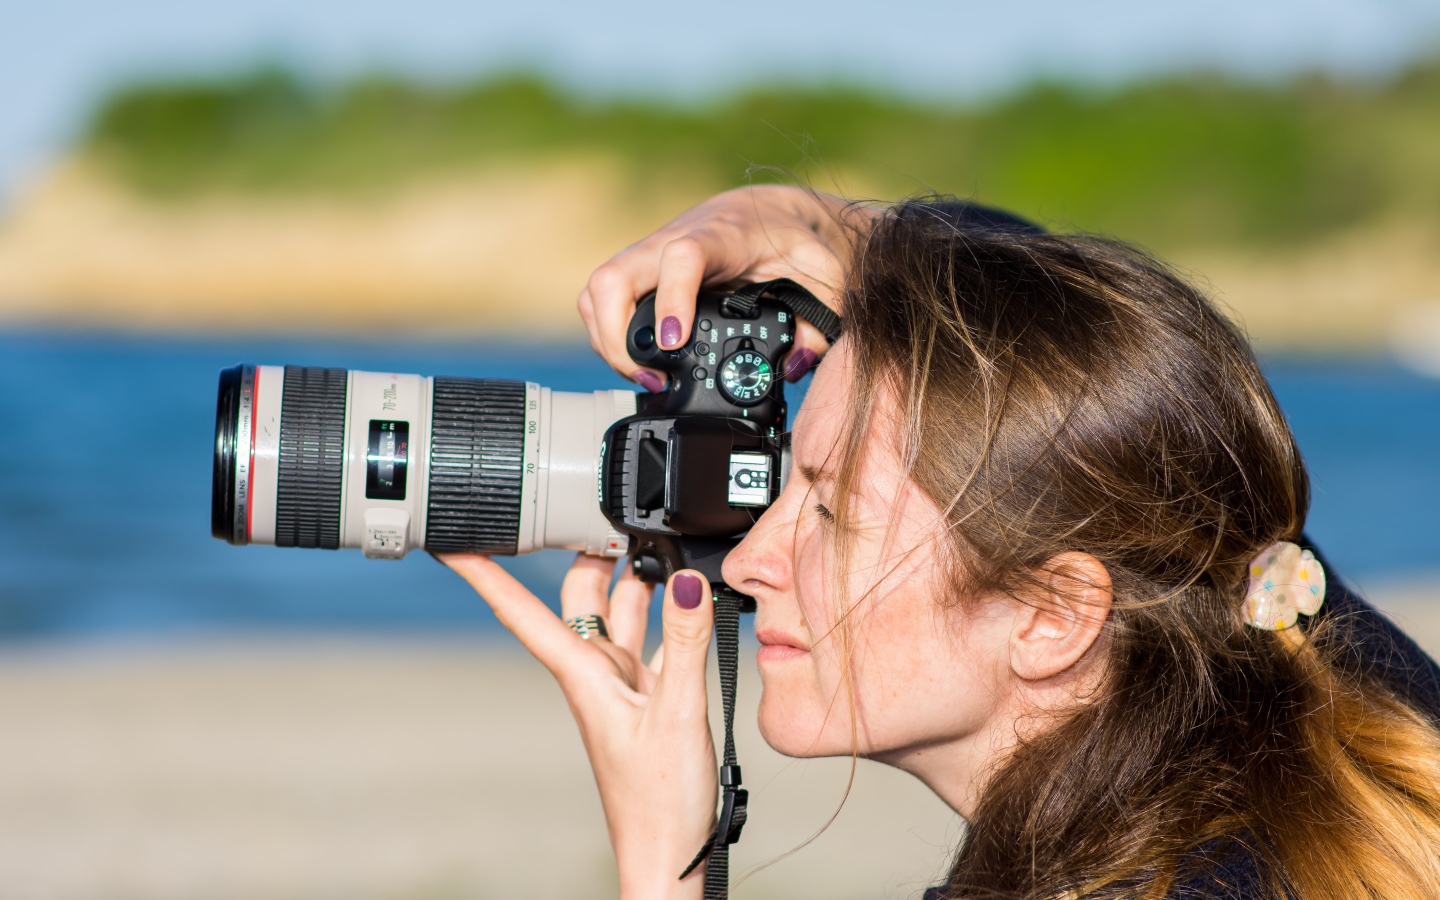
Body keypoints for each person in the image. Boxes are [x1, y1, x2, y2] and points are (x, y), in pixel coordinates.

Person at [440, 186, 1440, 898]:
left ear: (1054, 615)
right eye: (787, 484)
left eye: (830, 513)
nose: (745, 563)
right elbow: (1147, 402)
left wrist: (666, 870)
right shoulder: (1292, 633)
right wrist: (830, 230)